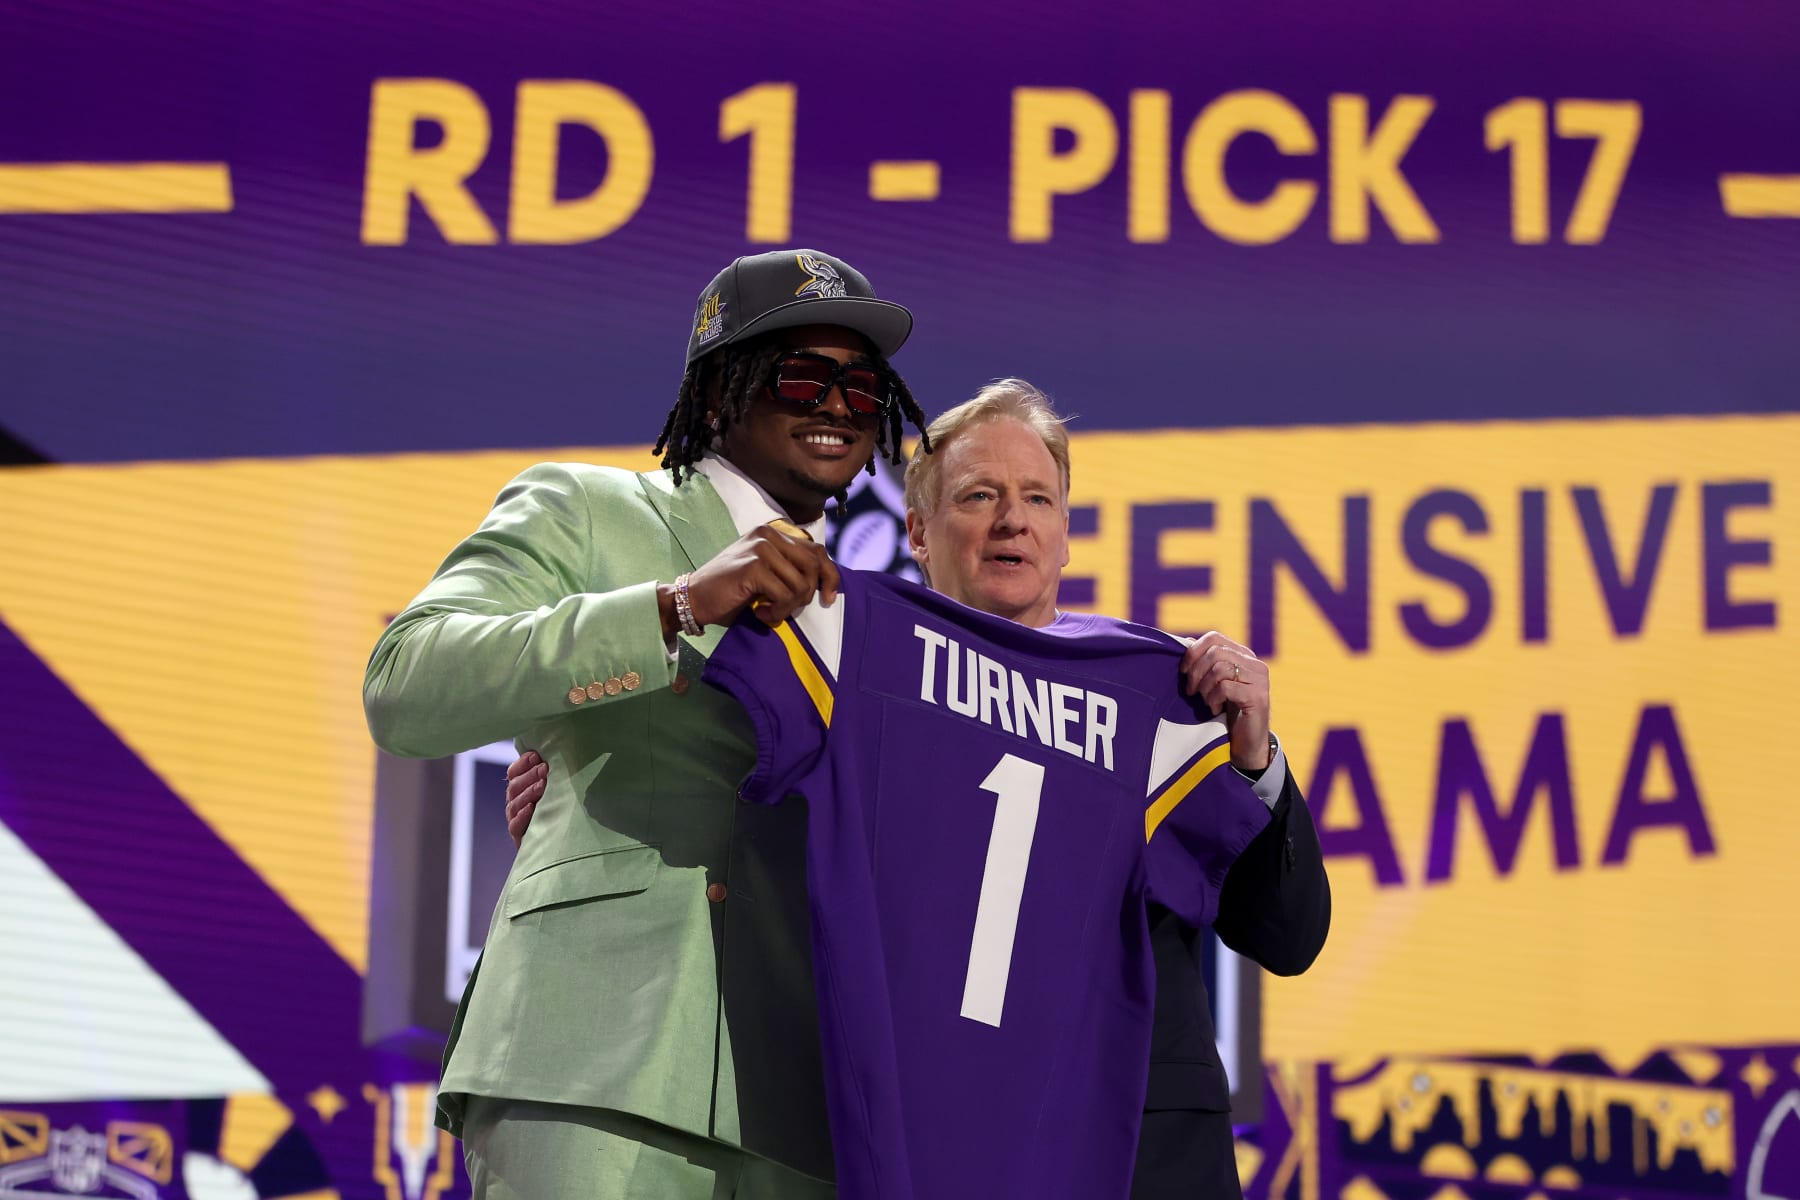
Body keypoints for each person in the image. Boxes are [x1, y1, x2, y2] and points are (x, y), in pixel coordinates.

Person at [504, 380, 1332, 1198]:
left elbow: (1287, 938)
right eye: (980, 495)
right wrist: (582, 777)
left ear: (1067, 533)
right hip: (915, 1126)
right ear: (919, 532)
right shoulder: (857, 659)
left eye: (1038, 498)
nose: (1013, 519)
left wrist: (1253, 760)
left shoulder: (1160, 692)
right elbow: (742, 810)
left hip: (1136, 1150)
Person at [364, 248, 932, 1199]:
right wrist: (673, 607)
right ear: (716, 394)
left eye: (863, 387)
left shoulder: (876, 621)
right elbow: (405, 682)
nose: (837, 405)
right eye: (801, 375)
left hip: (802, 1107)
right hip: (589, 1058)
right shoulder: (586, 508)